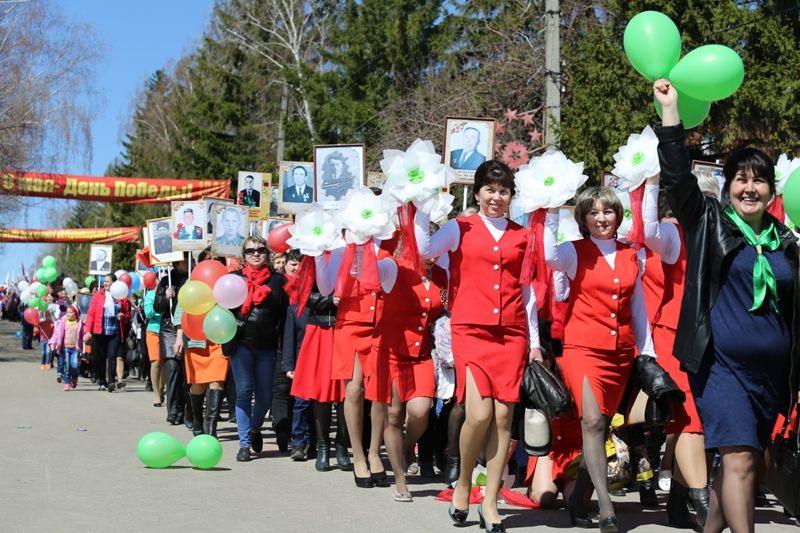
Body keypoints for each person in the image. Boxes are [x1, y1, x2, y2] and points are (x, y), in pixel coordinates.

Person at [654, 79, 799, 533]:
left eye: (759, 180)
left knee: (743, 466)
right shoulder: (709, 222)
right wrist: (671, 113)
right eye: (741, 179)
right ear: (728, 186)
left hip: (770, 376)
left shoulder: (787, 244)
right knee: (737, 458)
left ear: (772, 191)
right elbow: (677, 179)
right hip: (721, 366)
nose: (749, 188)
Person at [415, 160, 541, 532]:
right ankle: (465, 481)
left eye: (503, 191)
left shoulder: (523, 235)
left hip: (512, 334)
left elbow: (528, 292)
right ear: (478, 192)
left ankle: (490, 501)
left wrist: (533, 342)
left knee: (504, 419)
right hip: (470, 330)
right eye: (490, 189)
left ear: (511, 196)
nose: (496, 197)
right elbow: (424, 251)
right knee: (480, 415)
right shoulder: (459, 228)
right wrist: (422, 205)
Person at [545, 186, 657, 533]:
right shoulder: (571, 251)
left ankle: (578, 498)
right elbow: (548, 257)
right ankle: (606, 507)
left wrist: (648, 351)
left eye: (607, 211)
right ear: (583, 218)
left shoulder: (632, 255)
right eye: (593, 212)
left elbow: (637, 309)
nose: (601, 218)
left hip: (620, 354)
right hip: (582, 350)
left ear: (617, 215)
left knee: (602, 426)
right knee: (591, 422)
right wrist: (548, 209)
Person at [641, 175, 710, 527]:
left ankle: (680, 500)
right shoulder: (671, 233)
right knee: (689, 419)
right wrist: (650, 182)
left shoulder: (717, 234)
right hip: (671, 336)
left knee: (698, 423)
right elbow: (648, 229)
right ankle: (705, 504)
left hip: (710, 338)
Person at [367, 255, 444, 502]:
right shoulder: (394, 267)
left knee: (421, 410)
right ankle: (400, 480)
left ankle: (409, 445)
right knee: (393, 416)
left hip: (421, 355)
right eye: (426, 249)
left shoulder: (443, 273)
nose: (432, 256)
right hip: (391, 352)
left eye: (436, 249)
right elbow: (369, 269)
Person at [224, 235, 289, 462]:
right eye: (250, 251)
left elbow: (286, 316)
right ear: (243, 256)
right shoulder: (233, 279)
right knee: (243, 392)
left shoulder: (278, 282)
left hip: (268, 347)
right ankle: (244, 445)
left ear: (267, 254)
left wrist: (286, 348)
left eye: (260, 250)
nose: (256, 254)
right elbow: (222, 313)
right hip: (241, 344)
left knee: (264, 397)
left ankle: (254, 429)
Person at [153, 257, 190, 426]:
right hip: (169, 329)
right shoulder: (166, 279)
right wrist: (164, 297)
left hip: (188, 326)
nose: (185, 264)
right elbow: (157, 307)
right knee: (173, 368)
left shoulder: (192, 276)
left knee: (186, 373)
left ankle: (186, 412)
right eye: (182, 261)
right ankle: (173, 411)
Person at [84, 274, 131, 392]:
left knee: (112, 356)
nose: (105, 283)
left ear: (114, 283)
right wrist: (88, 331)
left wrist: (123, 316)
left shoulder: (121, 296)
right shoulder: (98, 295)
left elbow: (128, 314)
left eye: (108, 281)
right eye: (104, 281)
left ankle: (111, 381)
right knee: (99, 357)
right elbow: (91, 314)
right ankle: (101, 381)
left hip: (114, 332)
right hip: (99, 331)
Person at [49, 305, 84, 391]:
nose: (68, 314)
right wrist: (52, 343)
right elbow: (56, 334)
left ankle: (74, 377)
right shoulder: (62, 323)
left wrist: (87, 336)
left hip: (75, 349)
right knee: (67, 366)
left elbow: (84, 334)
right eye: (67, 312)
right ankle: (67, 382)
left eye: (70, 312)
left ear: (76, 314)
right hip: (65, 348)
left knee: (75, 366)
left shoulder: (80, 324)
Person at [143, 279, 164, 407]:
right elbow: (148, 313)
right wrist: (161, 310)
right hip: (153, 331)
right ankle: (156, 393)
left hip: (167, 331)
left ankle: (161, 388)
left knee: (166, 363)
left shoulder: (170, 294)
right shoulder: (151, 295)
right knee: (155, 362)